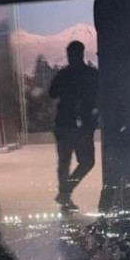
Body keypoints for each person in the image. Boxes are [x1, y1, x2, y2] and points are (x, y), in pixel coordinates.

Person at [48, 39, 100, 209]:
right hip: (82, 125)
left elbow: (52, 93)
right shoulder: (91, 75)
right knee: (86, 162)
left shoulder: (64, 75)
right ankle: (65, 192)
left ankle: (65, 193)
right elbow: (99, 96)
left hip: (64, 124)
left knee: (64, 162)